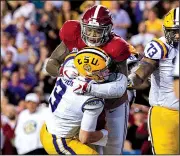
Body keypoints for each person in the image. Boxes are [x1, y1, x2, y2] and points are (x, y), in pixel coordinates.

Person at [45, 5, 134, 154]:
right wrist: (62, 71)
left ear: (108, 30)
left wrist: (98, 85)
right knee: (85, 146)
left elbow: (121, 85)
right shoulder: (73, 35)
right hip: (81, 103)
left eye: (98, 31)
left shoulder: (116, 47)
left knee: (112, 149)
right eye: (89, 29)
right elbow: (50, 65)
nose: (92, 35)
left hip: (110, 103)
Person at [41, 47, 128, 154]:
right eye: (103, 71)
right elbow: (85, 137)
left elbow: (72, 56)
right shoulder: (92, 100)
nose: (107, 72)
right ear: (91, 73)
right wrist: (105, 133)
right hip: (61, 141)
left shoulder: (70, 64)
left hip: (47, 128)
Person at [128, 7, 179, 154]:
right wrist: (133, 79)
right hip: (166, 113)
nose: (176, 36)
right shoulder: (161, 45)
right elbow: (145, 68)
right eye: (173, 31)